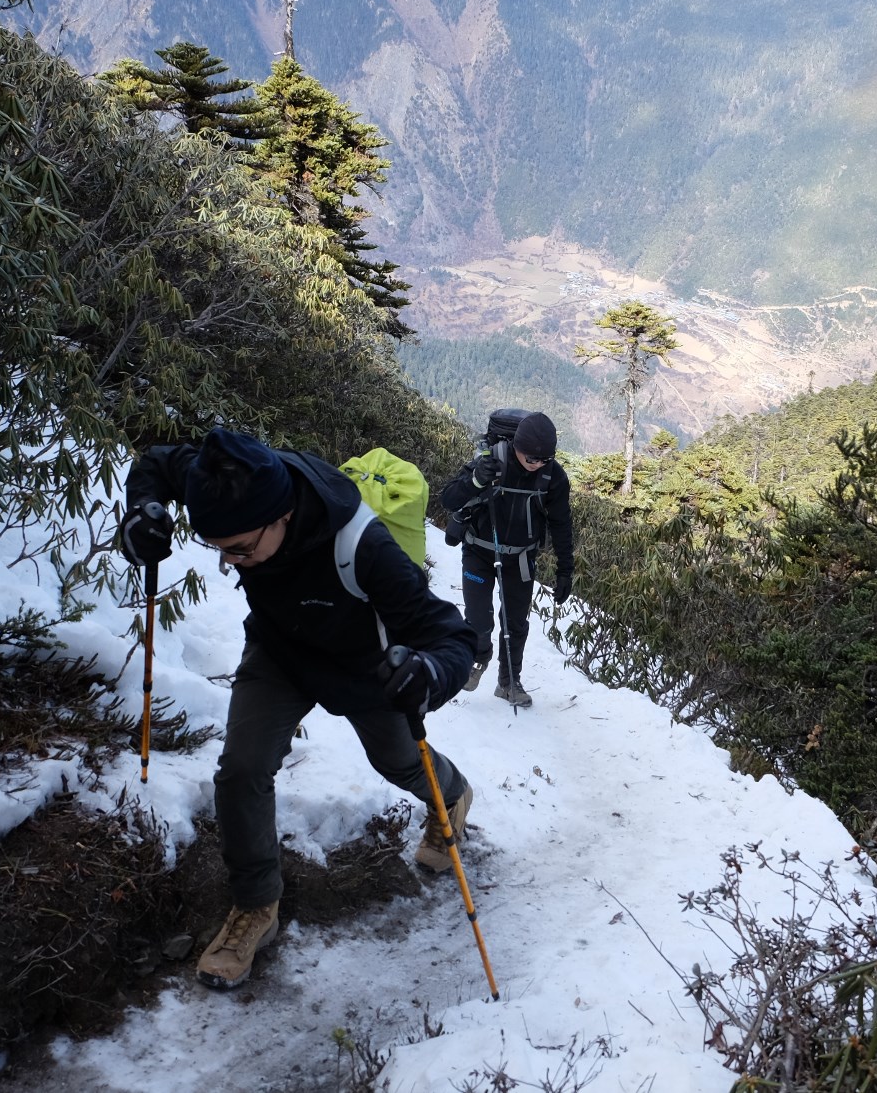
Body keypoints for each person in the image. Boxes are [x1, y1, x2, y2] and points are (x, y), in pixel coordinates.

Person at [119, 428, 482, 991]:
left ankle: (451, 794)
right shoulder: (228, 482)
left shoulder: (363, 546)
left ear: (283, 514)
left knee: (396, 760)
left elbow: (450, 636)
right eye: (219, 549)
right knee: (242, 767)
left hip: (366, 667)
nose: (232, 561)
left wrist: (431, 673)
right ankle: (255, 907)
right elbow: (158, 464)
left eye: (239, 549)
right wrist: (142, 511)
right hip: (280, 649)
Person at [439, 410, 574, 708]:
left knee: (514, 623)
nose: (536, 465)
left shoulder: (553, 476)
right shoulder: (492, 461)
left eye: (543, 460)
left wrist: (566, 570)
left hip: (521, 559)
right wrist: (475, 480)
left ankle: (509, 681)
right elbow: (447, 499)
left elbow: (561, 523)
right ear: (517, 447)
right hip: (478, 551)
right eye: (531, 459)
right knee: (478, 620)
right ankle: (479, 656)